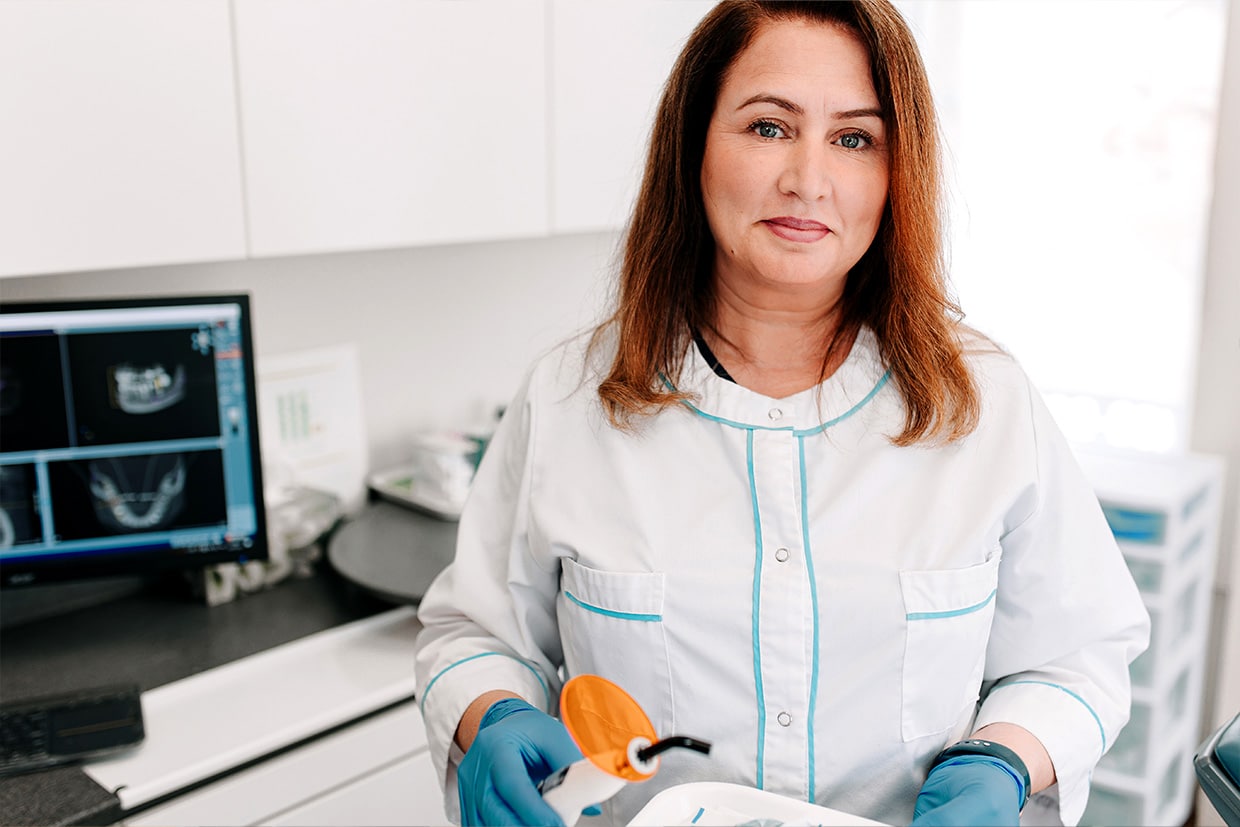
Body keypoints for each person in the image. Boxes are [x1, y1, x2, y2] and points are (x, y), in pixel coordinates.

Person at [413, 1, 1150, 825]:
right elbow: (476, 632)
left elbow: (1077, 655)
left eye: (855, 138)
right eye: (769, 128)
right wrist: (493, 715)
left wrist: (1001, 758)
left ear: (897, 170)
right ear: (693, 145)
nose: (808, 178)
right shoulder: (569, 398)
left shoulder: (985, 402)